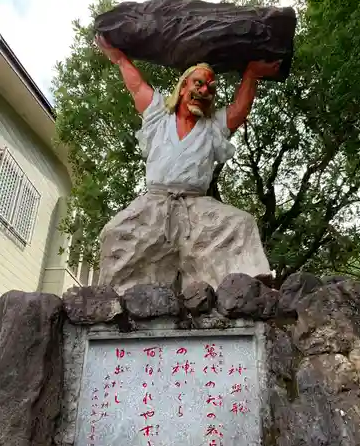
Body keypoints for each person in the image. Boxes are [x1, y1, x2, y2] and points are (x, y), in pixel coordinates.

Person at [96, 35, 280, 294]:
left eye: (210, 88)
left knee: (242, 224)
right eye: (198, 83)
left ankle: (247, 294)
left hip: (197, 208)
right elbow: (137, 86)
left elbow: (240, 109)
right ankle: (110, 305)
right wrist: (118, 57)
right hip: (154, 204)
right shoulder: (158, 116)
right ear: (183, 87)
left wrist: (251, 74)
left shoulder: (212, 127)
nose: (203, 91)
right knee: (114, 232)